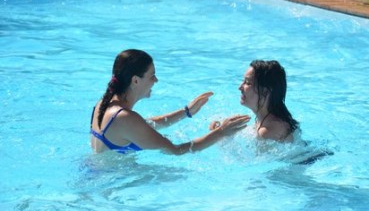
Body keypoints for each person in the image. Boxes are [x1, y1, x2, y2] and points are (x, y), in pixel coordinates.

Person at [90, 49, 250, 154]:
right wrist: (221, 132)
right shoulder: (124, 117)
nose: (156, 80)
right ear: (136, 81)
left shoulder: (105, 103)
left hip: (95, 174)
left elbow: (145, 125)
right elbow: (177, 150)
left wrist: (186, 111)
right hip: (111, 188)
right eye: (152, 76)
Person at [211, 60, 300, 142]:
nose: (240, 87)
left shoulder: (268, 132)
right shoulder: (266, 120)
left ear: (265, 91)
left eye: (247, 83)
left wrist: (221, 137)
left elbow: (248, 159)